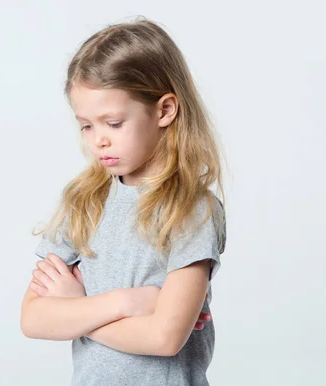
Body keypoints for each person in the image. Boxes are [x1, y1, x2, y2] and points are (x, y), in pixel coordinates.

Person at [20, 17, 227, 386]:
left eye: (113, 123)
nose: (98, 140)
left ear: (164, 111)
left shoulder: (191, 210)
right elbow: (34, 320)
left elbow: (165, 338)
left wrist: (78, 311)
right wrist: (128, 303)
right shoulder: (84, 201)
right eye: (86, 125)